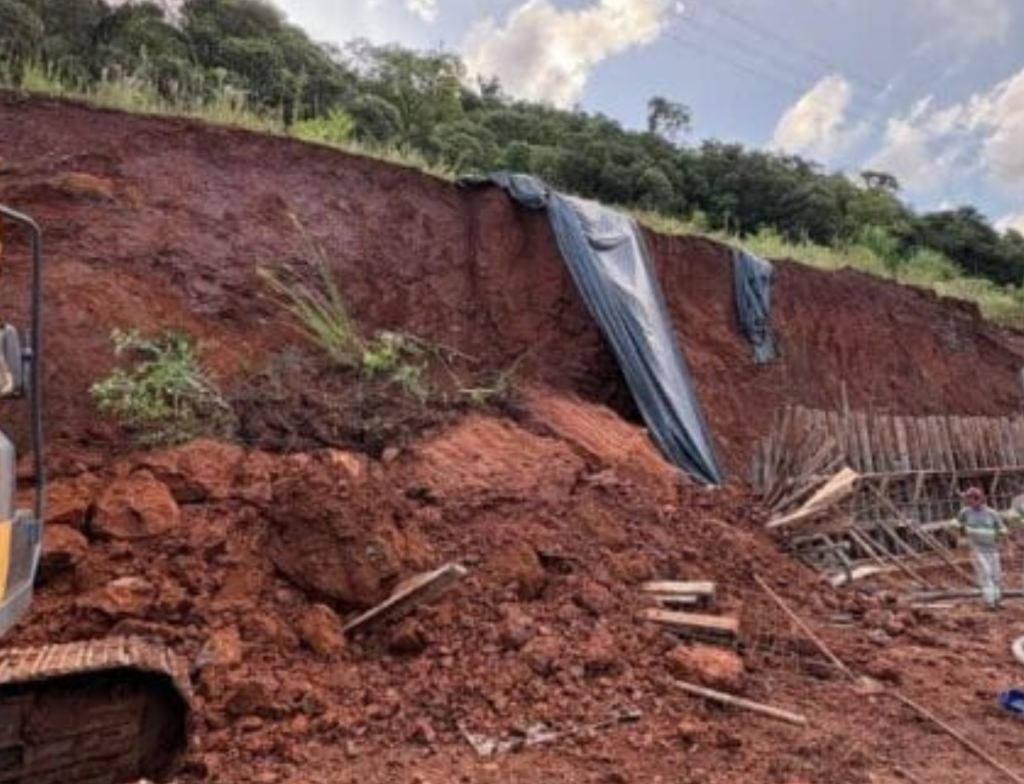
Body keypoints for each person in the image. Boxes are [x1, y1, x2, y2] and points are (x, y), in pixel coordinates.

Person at [956, 486, 1007, 609]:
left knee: (996, 575)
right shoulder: (965, 512)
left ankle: (997, 600)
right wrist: (962, 538)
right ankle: (990, 602)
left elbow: (1002, 529)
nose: (970, 503)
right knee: (985, 574)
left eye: (973, 500)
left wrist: (999, 536)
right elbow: (958, 527)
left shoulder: (992, 513)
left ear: (980, 499)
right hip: (976, 550)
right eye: (968, 500)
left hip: (992, 549)